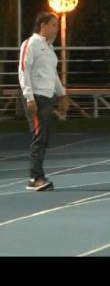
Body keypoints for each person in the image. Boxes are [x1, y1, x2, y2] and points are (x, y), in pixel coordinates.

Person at [18, 12, 69, 191]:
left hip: (47, 96)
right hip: (36, 97)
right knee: (39, 136)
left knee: (44, 136)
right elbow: (23, 70)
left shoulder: (49, 48)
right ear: (43, 26)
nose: (56, 29)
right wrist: (29, 97)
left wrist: (62, 94)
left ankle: (38, 175)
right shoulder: (30, 44)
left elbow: (53, 74)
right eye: (54, 25)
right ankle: (35, 178)